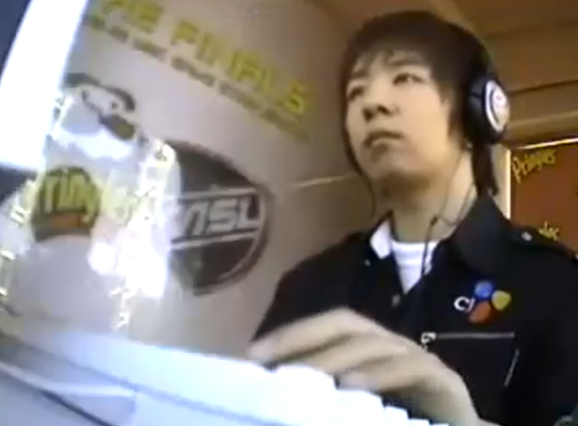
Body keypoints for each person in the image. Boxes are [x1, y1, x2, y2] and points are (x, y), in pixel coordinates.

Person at [248, 11, 578, 426]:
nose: (372, 104)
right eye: (356, 93)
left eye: (404, 78)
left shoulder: (556, 284)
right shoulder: (308, 287)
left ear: (478, 109)